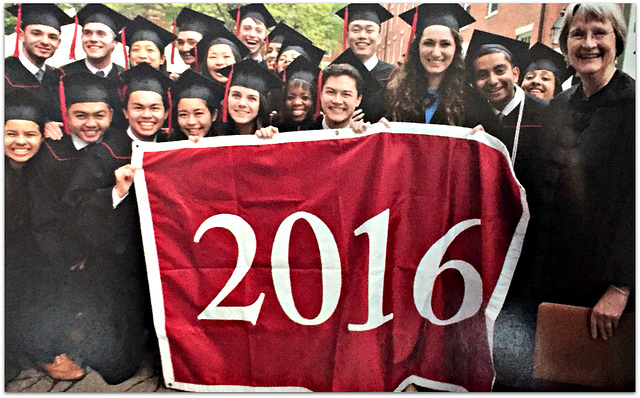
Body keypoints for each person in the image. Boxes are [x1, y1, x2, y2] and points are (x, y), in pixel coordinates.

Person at [387, 3, 481, 127]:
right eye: (428, 43)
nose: (436, 53)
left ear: (456, 49)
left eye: (445, 44)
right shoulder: (393, 94)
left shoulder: (471, 99)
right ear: (417, 47)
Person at [466, 30, 548, 171]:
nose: (492, 81)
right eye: (482, 75)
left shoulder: (546, 113)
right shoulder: (470, 116)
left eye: (500, 71)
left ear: (515, 74)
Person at [60, 4, 130, 133]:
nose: (93, 39)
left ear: (114, 43)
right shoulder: (61, 76)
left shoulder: (126, 78)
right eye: (87, 33)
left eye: (101, 34)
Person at [216, 58, 283, 137]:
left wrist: (272, 140)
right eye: (236, 95)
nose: (242, 103)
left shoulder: (274, 130)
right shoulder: (212, 134)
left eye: (252, 98)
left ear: (261, 104)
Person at [335, 4, 396, 88]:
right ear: (347, 36)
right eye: (356, 30)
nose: (362, 36)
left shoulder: (394, 76)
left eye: (369, 30)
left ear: (379, 38)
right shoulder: (333, 74)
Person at [171, 68, 225, 141]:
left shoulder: (227, 146)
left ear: (214, 115)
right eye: (183, 114)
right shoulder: (166, 148)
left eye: (198, 113)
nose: (191, 122)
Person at [274, 55, 321, 132]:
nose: (297, 102)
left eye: (305, 97)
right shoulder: (274, 126)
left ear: (314, 100)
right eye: (290, 97)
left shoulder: (322, 128)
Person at [172, 7, 224, 72]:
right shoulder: (182, 78)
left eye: (192, 42)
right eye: (180, 42)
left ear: (207, 43)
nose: (184, 49)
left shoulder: (221, 79)